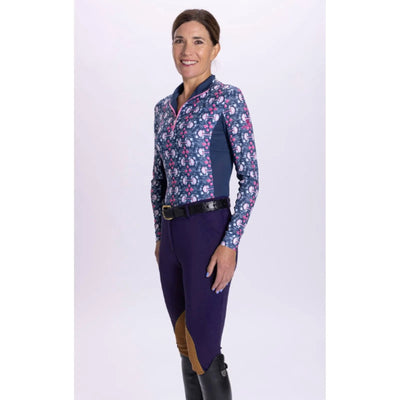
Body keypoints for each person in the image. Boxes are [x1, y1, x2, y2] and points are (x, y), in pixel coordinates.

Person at [150, 9, 259, 400]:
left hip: (208, 233)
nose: (187, 50)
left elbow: (251, 178)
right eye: (179, 40)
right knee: (185, 344)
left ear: (215, 49)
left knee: (205, 347)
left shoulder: (227, 99)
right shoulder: (163, 109)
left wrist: (230, 243)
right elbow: (158, 180)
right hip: (172, 237)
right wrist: (160, 236)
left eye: (198, 41)